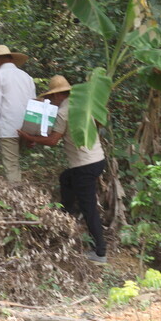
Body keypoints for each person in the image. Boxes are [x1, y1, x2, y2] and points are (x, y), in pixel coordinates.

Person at [18, 75, 107, 265]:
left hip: (84, 165)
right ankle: (68, 213)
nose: (50, 102)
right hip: (98, 159)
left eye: (51, 98)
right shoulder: (82, 105)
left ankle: (100, 252)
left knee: (89, 207)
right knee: (66, 178)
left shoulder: (63, 112)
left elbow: (52, 140)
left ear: (58, 96)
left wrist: (29, 137)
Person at [0, 44, 35, 183]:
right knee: (18, 162)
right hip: (27, 127)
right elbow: (34, 104)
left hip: (8, 127)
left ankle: (17, 197)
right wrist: (34, 133)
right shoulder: (26, 76)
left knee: (11, 165)